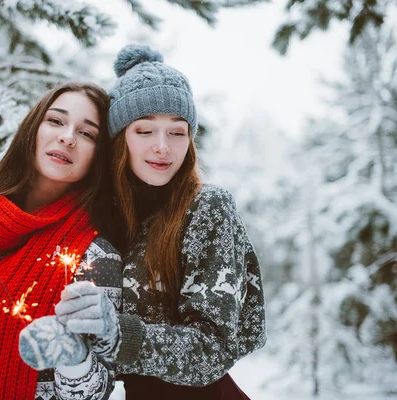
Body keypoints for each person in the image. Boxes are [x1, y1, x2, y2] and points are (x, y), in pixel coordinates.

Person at [52, 45, 267, 399]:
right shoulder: (104, 215)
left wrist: (121, 334)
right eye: (145, 131)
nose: (163, 146)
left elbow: (212, 348)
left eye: (177, 132)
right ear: (120, 139)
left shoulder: (206, 207)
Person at [0, 82, 123, 400]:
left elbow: (93, 393)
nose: (67, 137)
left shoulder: (95, 256)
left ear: (98, 156)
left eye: (87, 134)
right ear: (33, 129)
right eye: (56, 121)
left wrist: (73, 356)